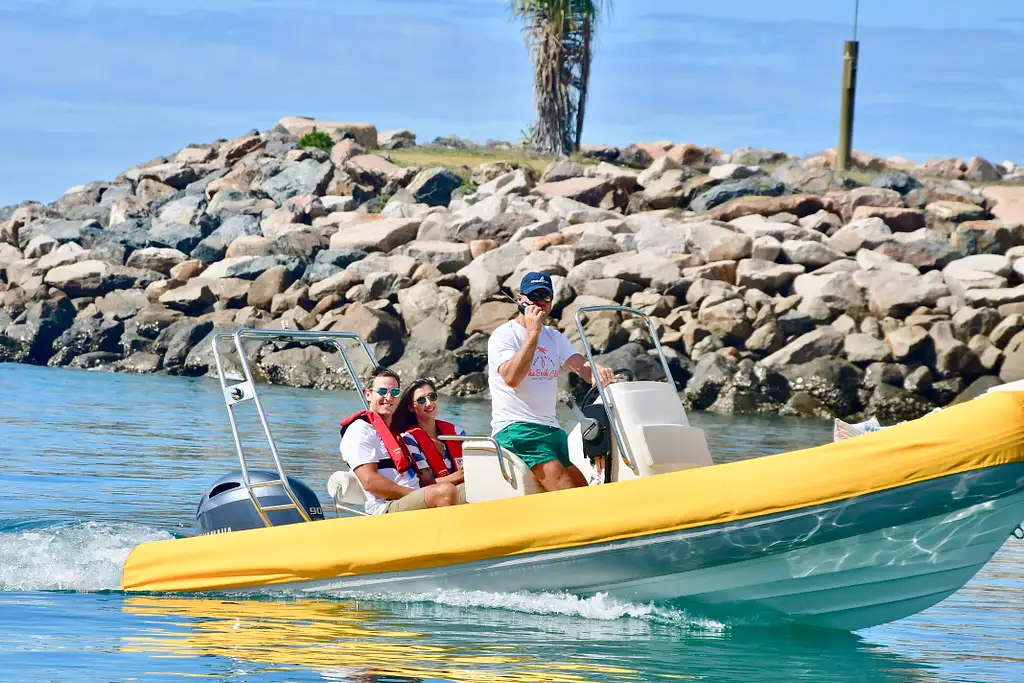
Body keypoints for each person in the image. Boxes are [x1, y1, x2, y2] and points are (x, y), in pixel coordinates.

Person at [487, 271, 616, 492]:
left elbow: (582, 367)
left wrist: (597, 372)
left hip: (552, 431)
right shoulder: (504, 335)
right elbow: (511, 378)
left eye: (545, 297)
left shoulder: (554, 337)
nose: (540, 302)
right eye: (534, 296)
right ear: (520, 299)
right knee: (568, 494)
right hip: (518, 430)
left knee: (585, 491)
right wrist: (532, 334)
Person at [338, 366, 459, 515]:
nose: (388, 397)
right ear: (368, 394)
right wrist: (414, 494)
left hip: (411, 498)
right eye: (382, 392)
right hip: (386, 507)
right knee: (445, 492)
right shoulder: (360, 430)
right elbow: (370, 482)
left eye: (394, 392)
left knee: (476, 486)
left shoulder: (395, 434)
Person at [393, 379, 468, 501]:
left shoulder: (457, 432)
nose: (429, 403)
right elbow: (426, 482)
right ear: (411, 407)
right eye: (421, 400)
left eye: (432, 396)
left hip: (465, 493)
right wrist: (461, 475)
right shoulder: (408, 440)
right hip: (435, 499)